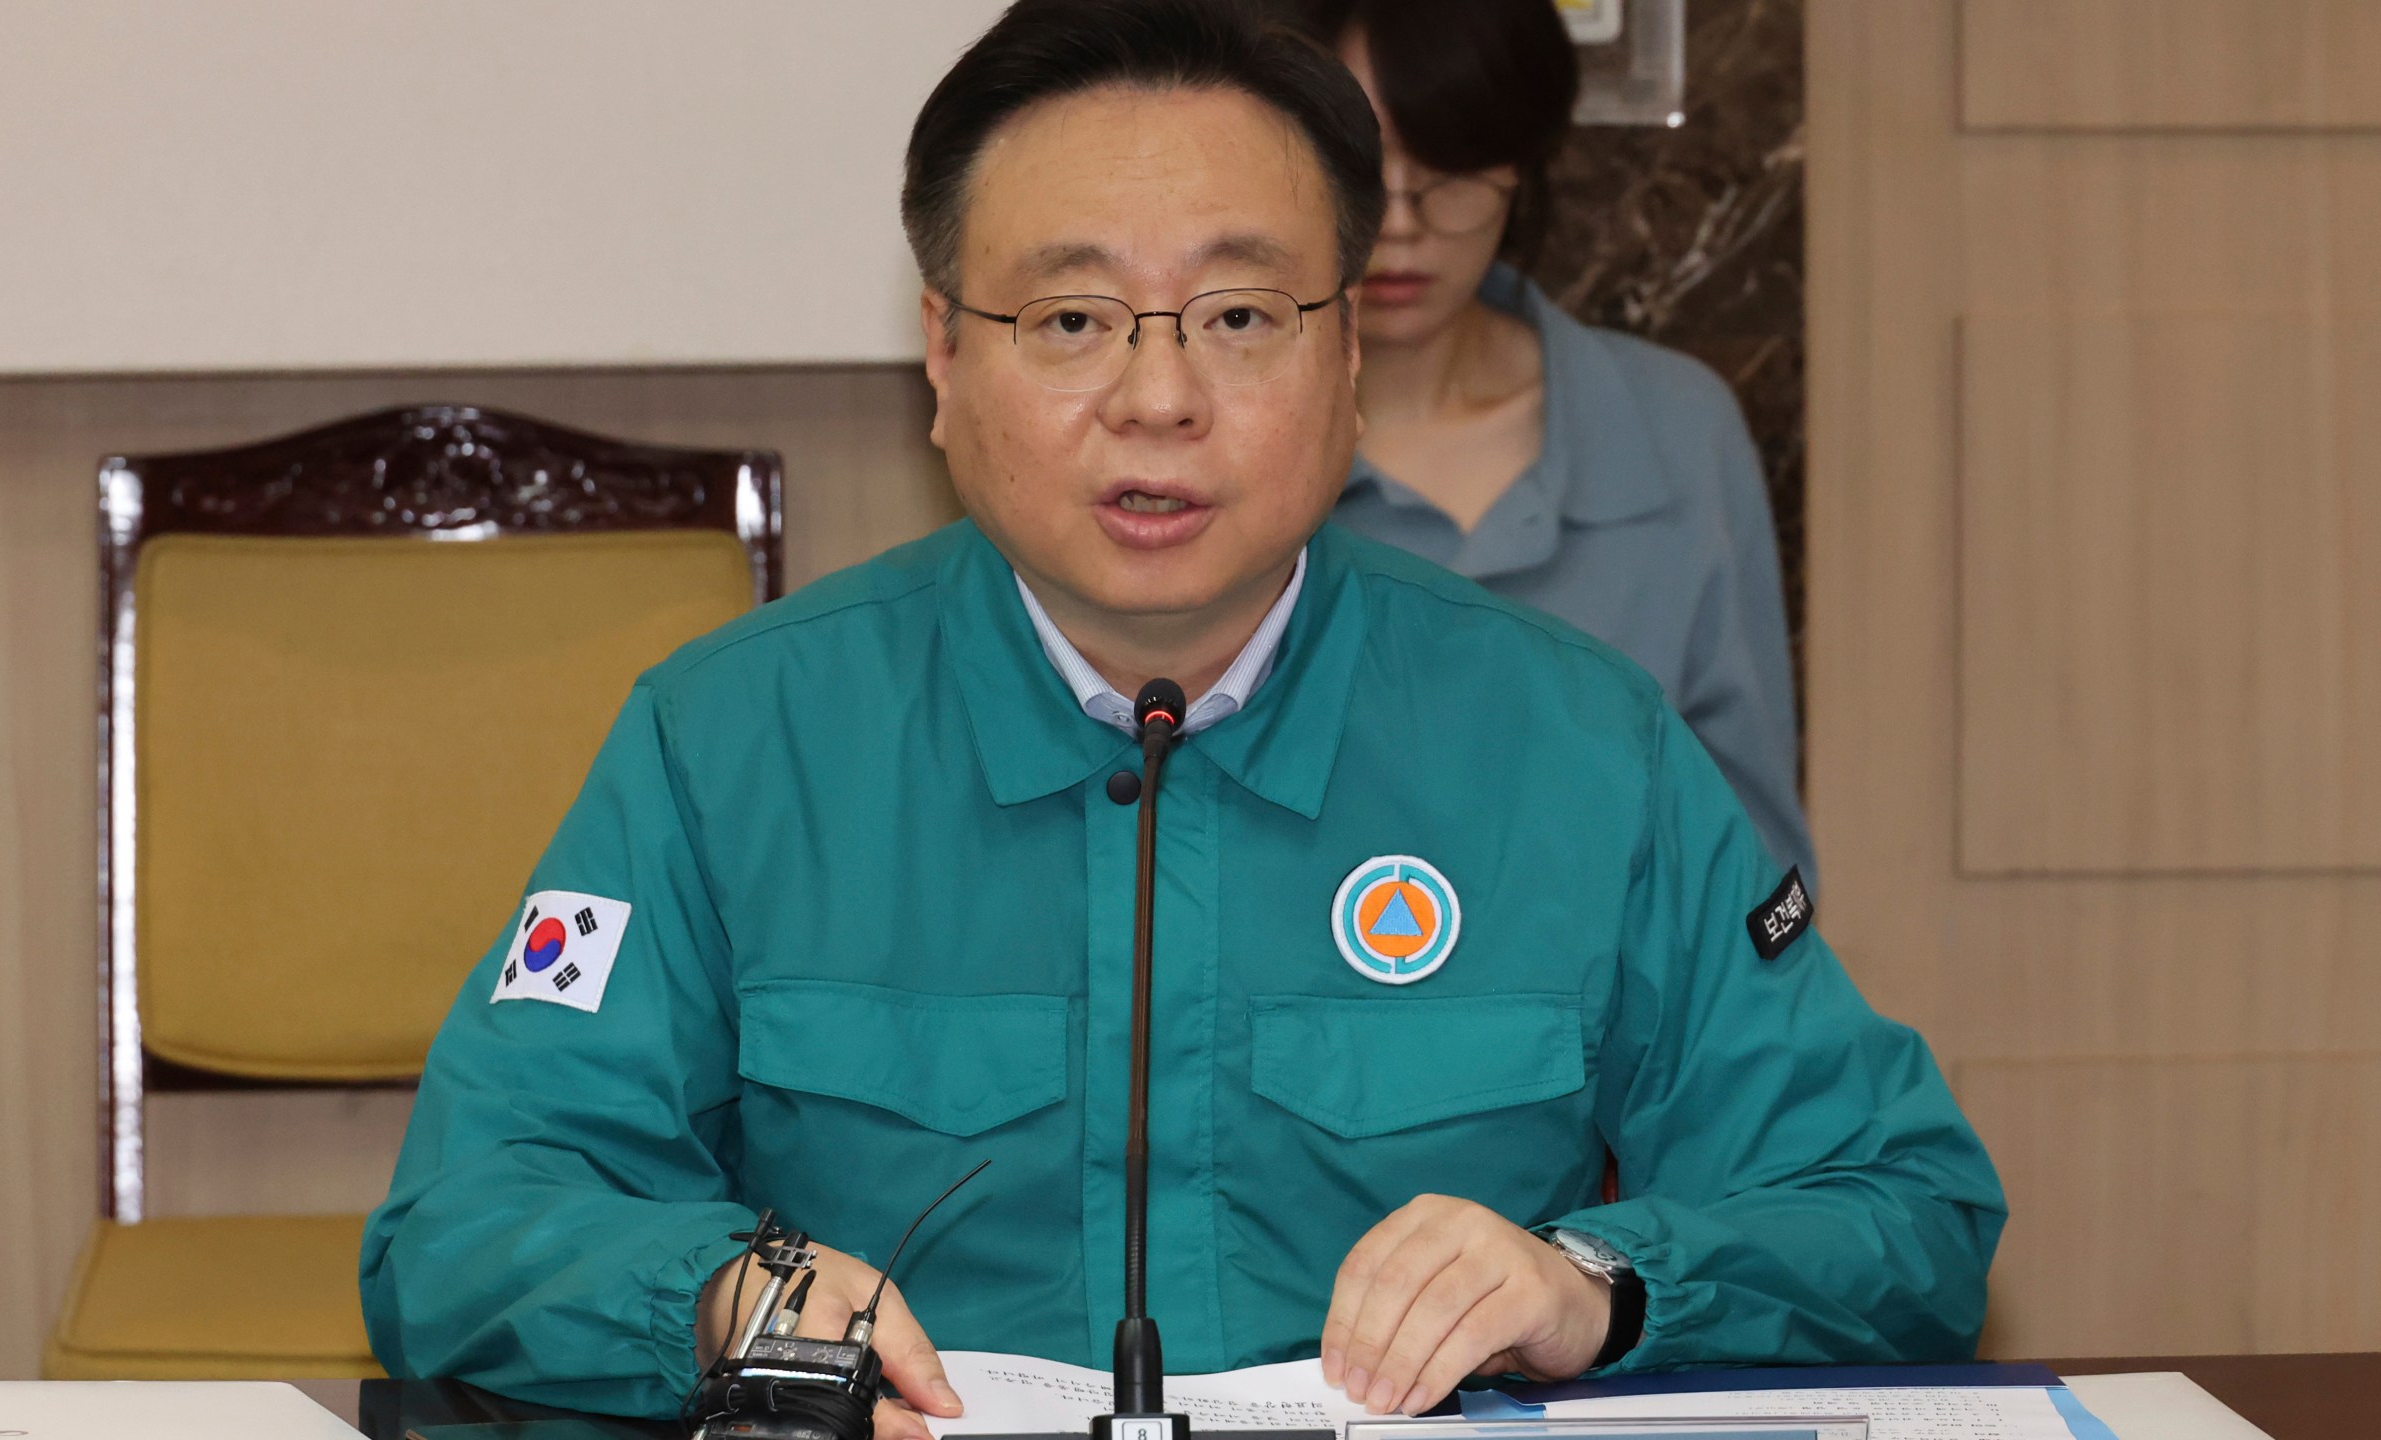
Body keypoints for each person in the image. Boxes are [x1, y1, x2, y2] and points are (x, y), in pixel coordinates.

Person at [358, 0, 2001, 1429]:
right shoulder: (732, 743)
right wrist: (727, 1296)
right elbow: (466, 1223)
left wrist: (1596, 1285)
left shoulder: (1579, 749)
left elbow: (1904, 1207)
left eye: (1240, 316)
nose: (1159, 397)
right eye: (1070, 320)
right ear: (941, 353)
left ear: (1349, 349)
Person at [1295, 0, 1816, 891]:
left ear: (1521, 166)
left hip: (1610, 1019)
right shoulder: (1211, 439)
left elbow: (1753, 852)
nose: (1406, 224)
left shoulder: (1676, 426)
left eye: (1452, 168)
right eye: (1362, 168)